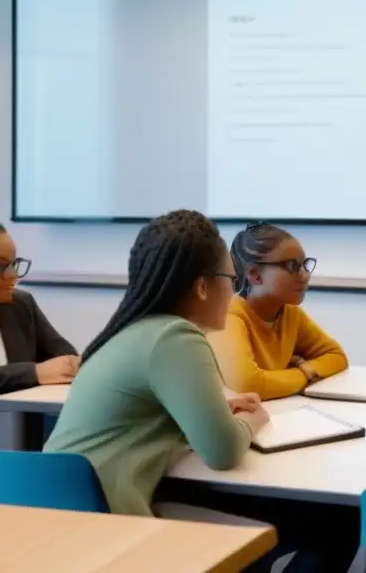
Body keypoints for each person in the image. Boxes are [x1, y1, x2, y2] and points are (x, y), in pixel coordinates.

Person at [45, 210, 270, 517]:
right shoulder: (176, 337)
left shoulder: (128, 330)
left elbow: (140, 417)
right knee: (309, 527)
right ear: (202, 287)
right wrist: (254, 420)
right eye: (231, 279)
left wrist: (211, 413)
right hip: (104, 524)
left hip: (57, 515)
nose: (234, 292)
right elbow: (223, 451)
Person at [0, 214, 77, 442]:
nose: (13, 275)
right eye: (0, 266)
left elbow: (65, 357)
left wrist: (64, 366)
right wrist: (34, 373)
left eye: (14, 264)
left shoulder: (21, 305)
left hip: (18, 435)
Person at [209, 222, 348, 400]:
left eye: (304, 265)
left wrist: (282, 378)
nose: (305, 275)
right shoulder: (229, 316)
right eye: (291, 266)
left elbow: (336, 356)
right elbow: (246, 385)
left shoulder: (290, 313)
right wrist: (304, 373)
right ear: (255, 275)